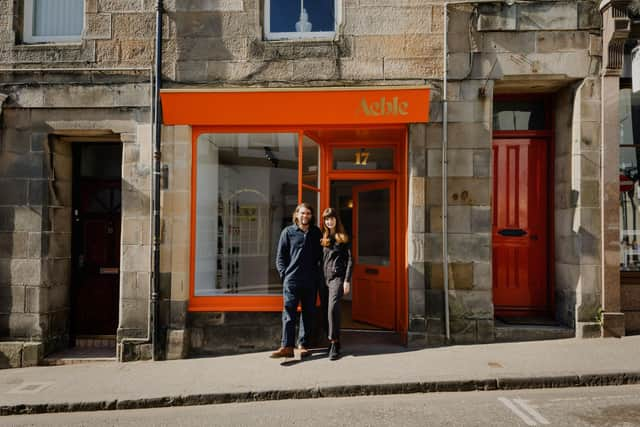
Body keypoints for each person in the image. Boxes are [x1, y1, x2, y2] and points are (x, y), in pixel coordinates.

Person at [270, 202, 322, 359]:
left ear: (311, 216)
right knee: (289, 314)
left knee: (308, 314)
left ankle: (303, 345)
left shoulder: (316, 232)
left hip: (310, 281)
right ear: (297, 215)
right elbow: (280, 257)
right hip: (292, 280)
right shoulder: (288, 232)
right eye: (302, 213)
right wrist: (284, 275)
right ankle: (287, 346)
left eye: (308, 213)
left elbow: (321, 255)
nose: (305, 216)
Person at [319, 207, 352, 361]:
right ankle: (331, 341)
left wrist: (346, 280)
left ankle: (334, 342)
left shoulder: (343, 238)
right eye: (326, 219)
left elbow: (351, 261)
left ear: (336, 220)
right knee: (325, 310)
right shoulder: (323, 238)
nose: (329, 221)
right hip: (322, 278)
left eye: (331, 218)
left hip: (336, 278)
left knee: (333, 308)